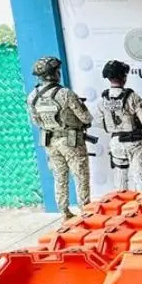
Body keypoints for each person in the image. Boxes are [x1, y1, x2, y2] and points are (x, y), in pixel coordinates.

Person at [27, 57, 93, 220]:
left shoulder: (32, 96)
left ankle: (64, 212)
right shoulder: (65, 94)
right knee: (80, 176)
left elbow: (36, 121)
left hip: (50, 141)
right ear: (54, 73)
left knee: (60, 177)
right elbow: (86, 118)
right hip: (71, 141)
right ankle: (86, 212)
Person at [95, 60, 142, 191]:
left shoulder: (103, 99)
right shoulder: (132, 97)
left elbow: (98, 121)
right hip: (134, 143)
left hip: (116, 142)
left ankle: (121, 202)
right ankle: (141, 204)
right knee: (140, 180)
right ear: (123, 76)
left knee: (120, 180)